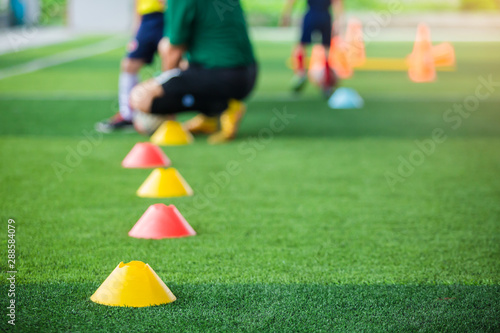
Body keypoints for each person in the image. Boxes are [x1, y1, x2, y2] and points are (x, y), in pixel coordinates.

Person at [129, 0, 258, 144]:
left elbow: (173, 50)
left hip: (220, 75)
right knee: (183, 60)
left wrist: (167, 91)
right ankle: (209, 116)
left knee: (139, 97)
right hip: (247, 73)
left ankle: (223, 106)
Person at [96, 0, 165, 133]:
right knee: (129, 65)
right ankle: (128, 115)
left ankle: (172, 114)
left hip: (167, 15)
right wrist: (137, 27)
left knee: (172, 62)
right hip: (147, 18)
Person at [281, 0, 343, 95]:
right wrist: (339, 21)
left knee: (301, 45)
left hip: (311, 15)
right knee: (326, 49)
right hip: (325, 16)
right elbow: (337, 3)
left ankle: (301, 74)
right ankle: (326, 82)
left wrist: (286, 15)